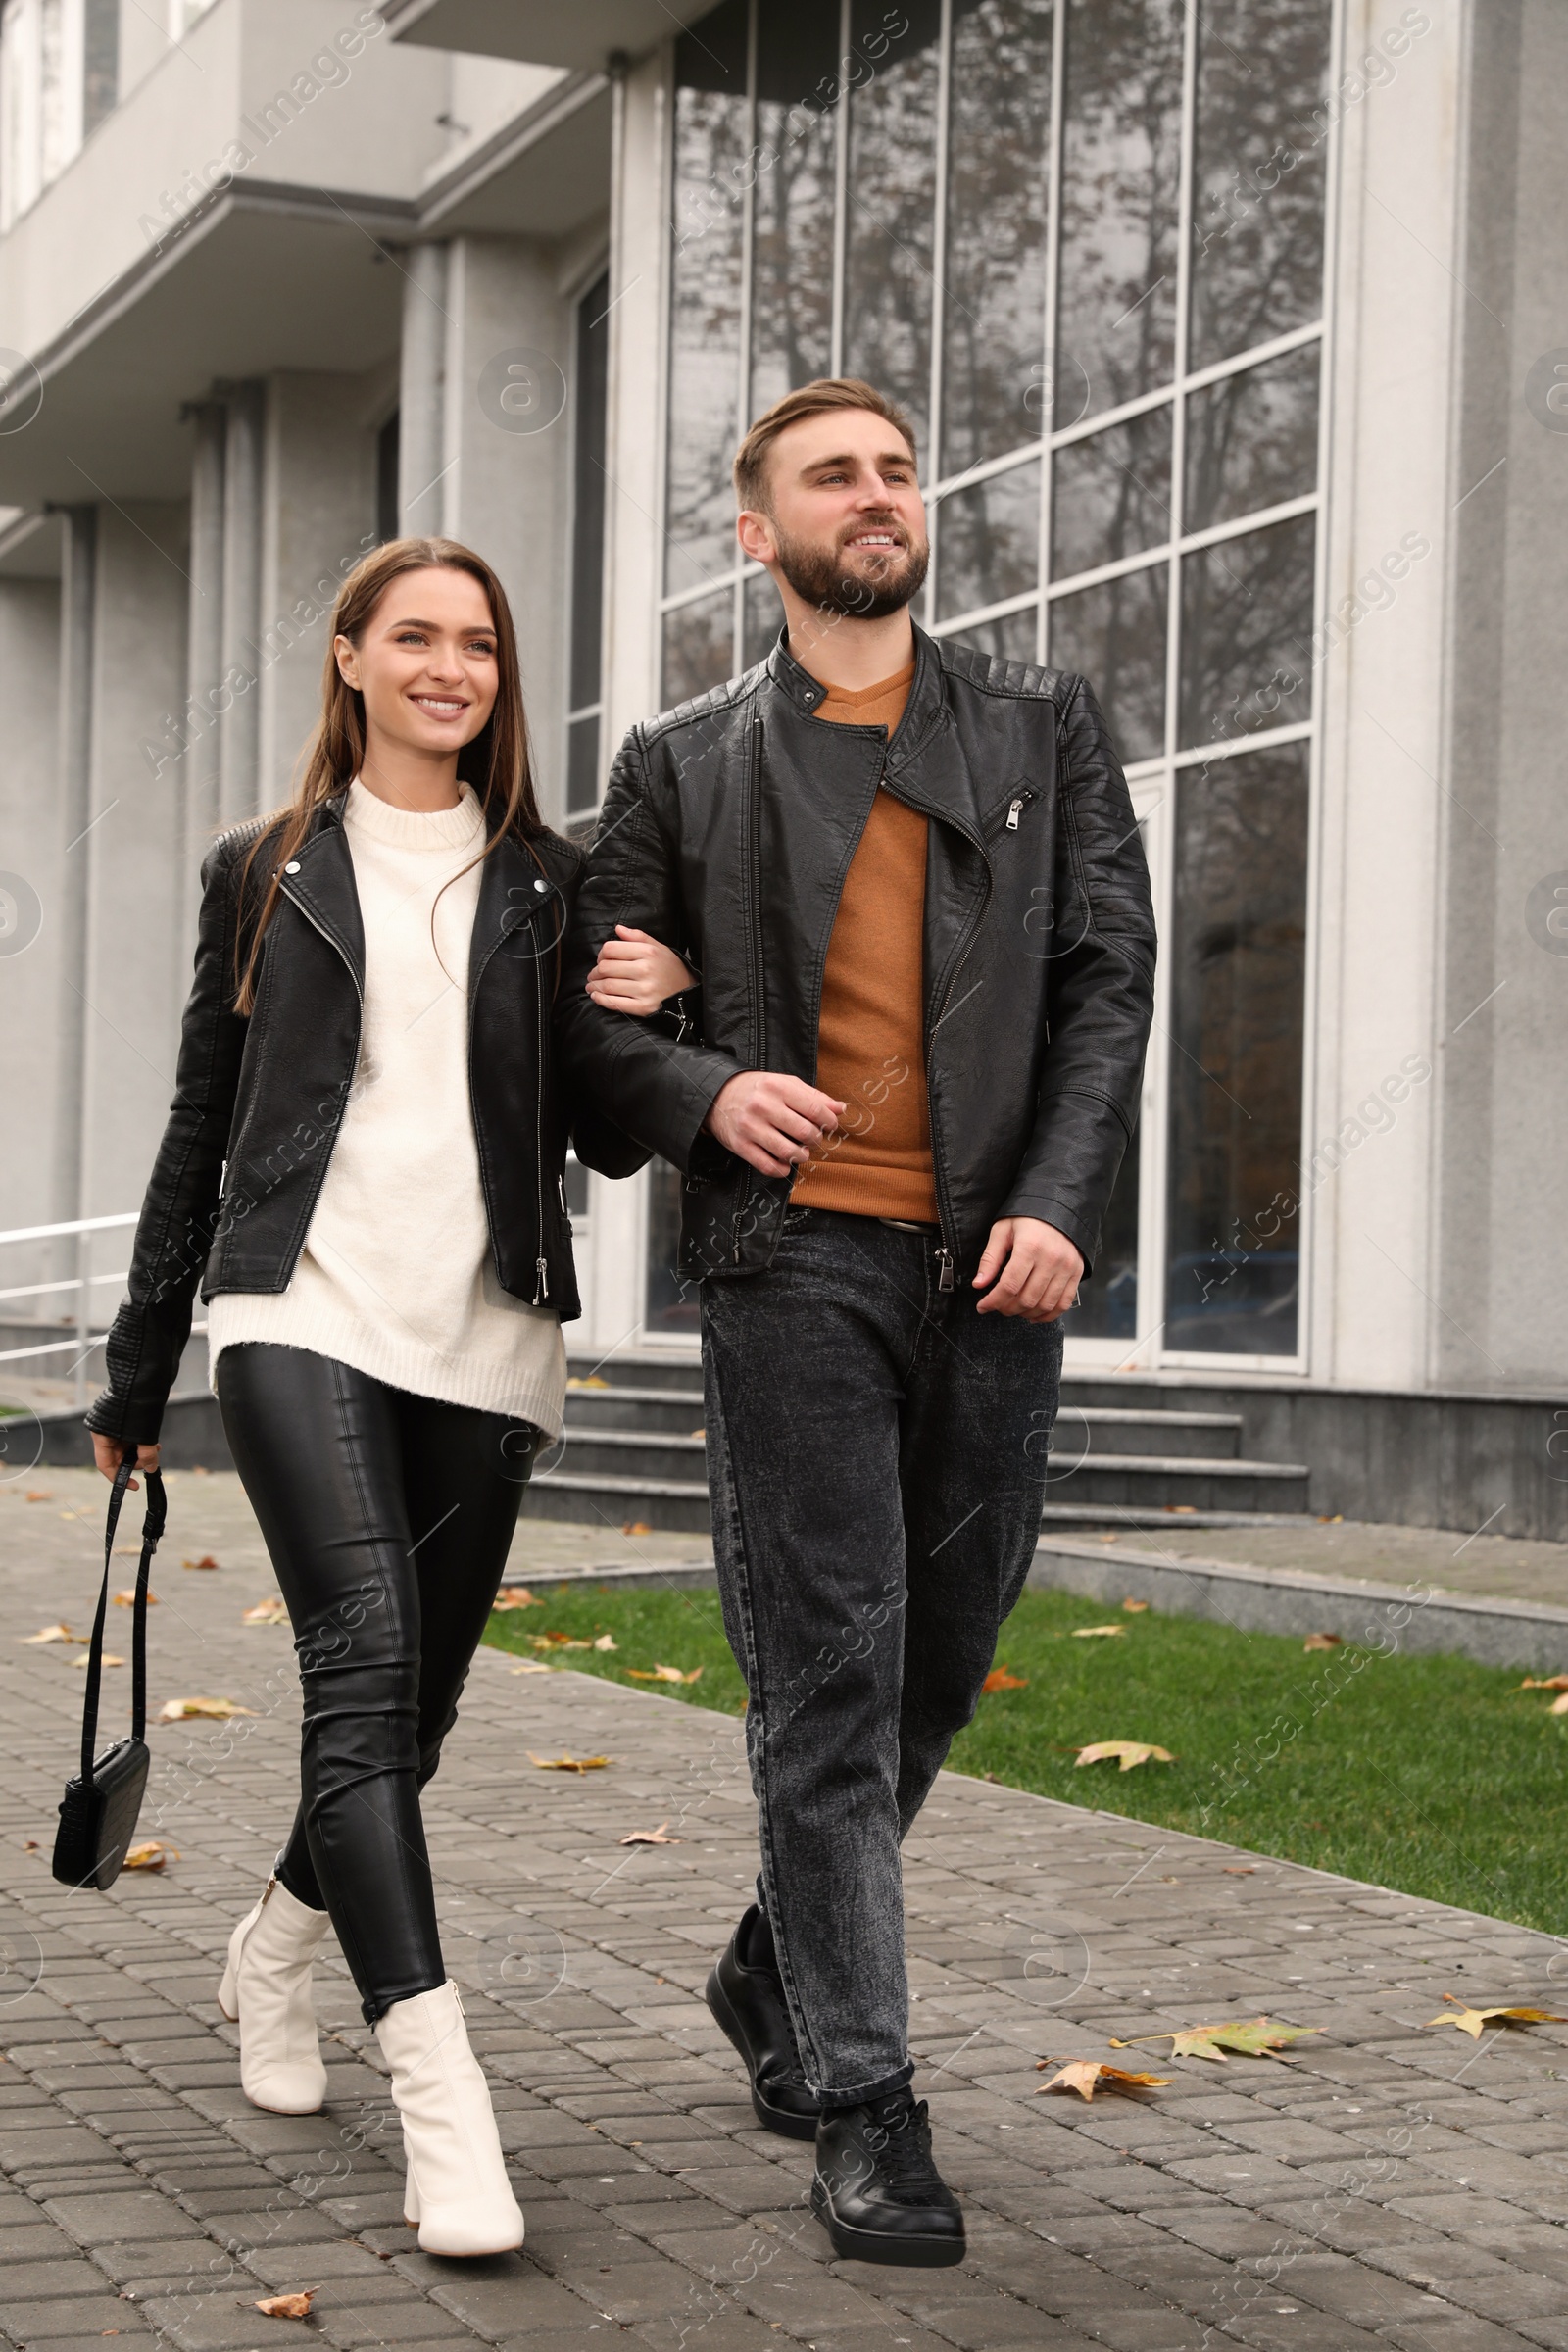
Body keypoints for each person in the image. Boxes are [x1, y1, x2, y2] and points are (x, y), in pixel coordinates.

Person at [561, 381, 1156, 2268]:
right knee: (828, 1677)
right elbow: (589, 1025)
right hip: (793, 1265)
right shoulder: (679, 761)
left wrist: (1062, 1201)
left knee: (941, 1666)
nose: (881, 495)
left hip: (996, 1265)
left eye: (900, 469)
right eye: (836, 474)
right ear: (761, 534)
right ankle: (868, 2106)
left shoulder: (1045, 728)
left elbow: (1103, 984)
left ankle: (776, 1965)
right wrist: (703, 1090)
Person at [85, 538, 688, 2258]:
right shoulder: (263, 870)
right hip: (301, 1315)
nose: (451, 667)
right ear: (348, 658)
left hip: (488, 1334)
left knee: (403, 1728)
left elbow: (618, 1128)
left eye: (479, 645)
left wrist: (669, 1006)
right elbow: (202, 1119)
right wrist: (139, 1366)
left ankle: (270, 1964)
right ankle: (445, 2108)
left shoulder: (551, 886)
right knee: (359, 1683)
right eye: (415, 637)